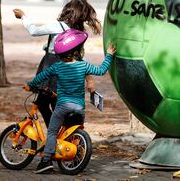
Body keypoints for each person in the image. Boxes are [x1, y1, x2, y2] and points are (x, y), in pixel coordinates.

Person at [26, 29, 116, 174]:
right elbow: (101, 70)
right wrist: (110, 55)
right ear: (76, 52)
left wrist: (31, 84)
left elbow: (42, 76)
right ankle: (76, 157)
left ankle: (46, 161)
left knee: (52, 132)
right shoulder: (83, 65)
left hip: (62, 106)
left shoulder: (57, 67)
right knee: (75, 129)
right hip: (79, 107)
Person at [13, 0, 101, 127]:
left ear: (67, 10)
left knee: (43, 104)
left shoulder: (56, 26)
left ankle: (54, 135)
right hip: (70, 71)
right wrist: (89, 79)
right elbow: (80, 57)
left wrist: (23, 16)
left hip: (51, 67)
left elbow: (34, 31)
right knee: (56, 104)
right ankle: (65, 134)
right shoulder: (79, 33)